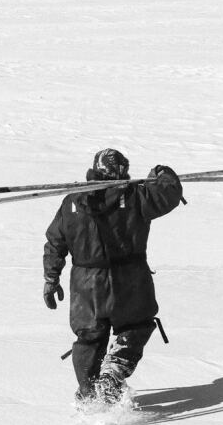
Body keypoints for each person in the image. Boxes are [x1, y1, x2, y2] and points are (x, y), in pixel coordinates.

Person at [43, 148, 183, 405]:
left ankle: (89, 394)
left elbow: (55, 242)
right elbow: (169, 194)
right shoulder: (136, 197)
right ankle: (112, 376)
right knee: (136, 327)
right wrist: (162, 173)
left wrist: (51, 279)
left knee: (89, 337)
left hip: (86, 285)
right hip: (129, 281)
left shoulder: (72, 202)